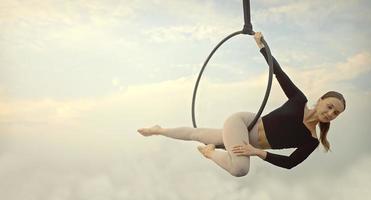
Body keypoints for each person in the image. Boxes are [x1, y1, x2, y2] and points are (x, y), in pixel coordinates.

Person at [137, 32, 346, 177]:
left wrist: (257, 152)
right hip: (243, 124)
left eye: (335, 113)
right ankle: (210, 153)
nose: (330, 113)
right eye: (329, 106)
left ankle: (159, 130)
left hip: (249, 144)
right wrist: (262, 46)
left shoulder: (311, 141)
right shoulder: (298, 100)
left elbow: (290, 163)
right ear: (320, 101)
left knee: (197, 135)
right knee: (240, 170)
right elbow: (278, 73)